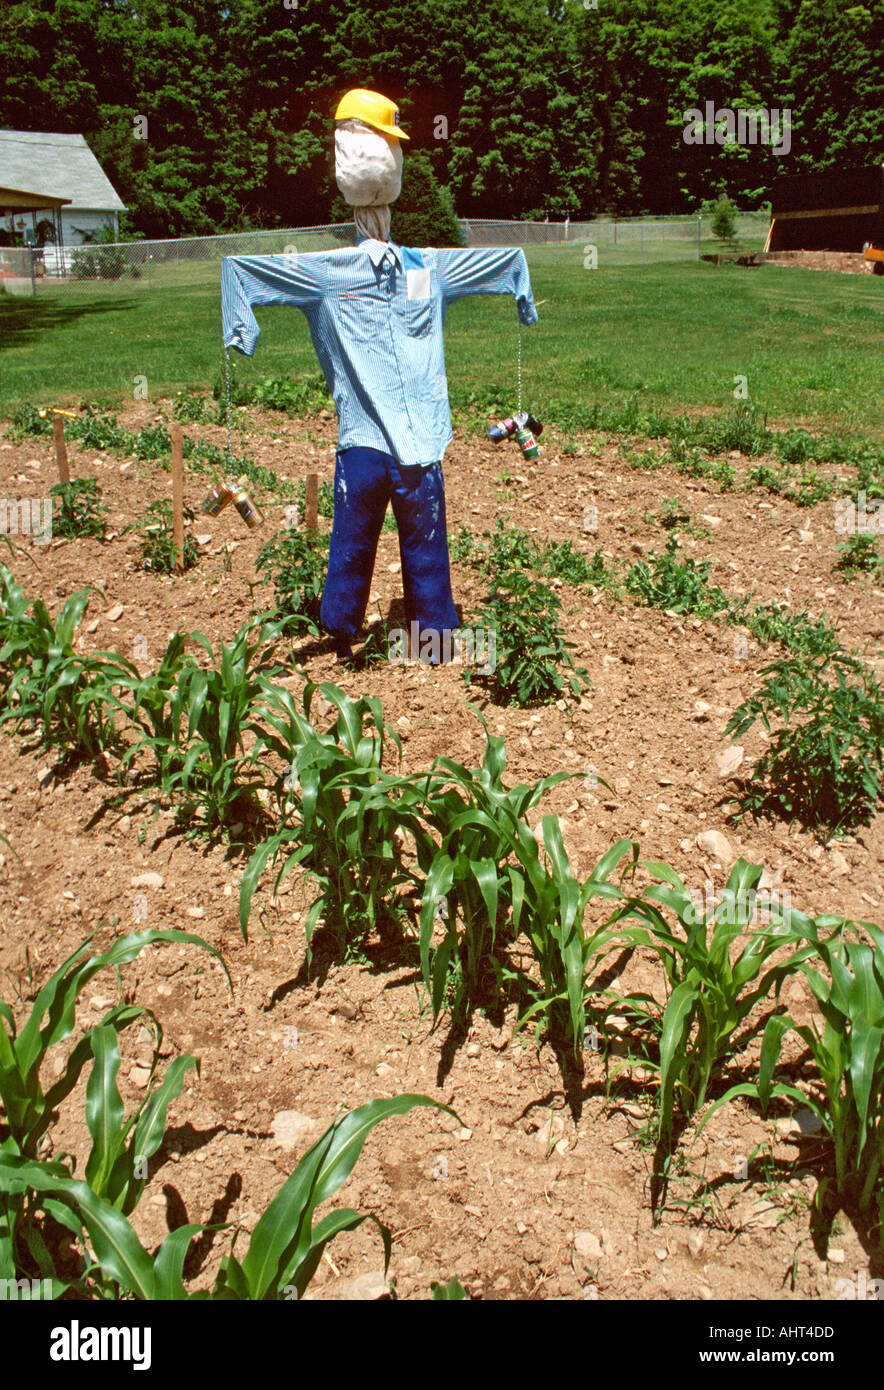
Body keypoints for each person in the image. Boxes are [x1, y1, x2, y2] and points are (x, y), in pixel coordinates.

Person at [221, 89, 538, 662]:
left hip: (362, 446)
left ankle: (342, 632)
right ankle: (435, 636)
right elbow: (504, 261)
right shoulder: (428, 266)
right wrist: (522, 296)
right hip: (418, 446)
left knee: (351, 544)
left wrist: (241, 333)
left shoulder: (327, 271)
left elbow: (244, 272)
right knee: (425, 545)